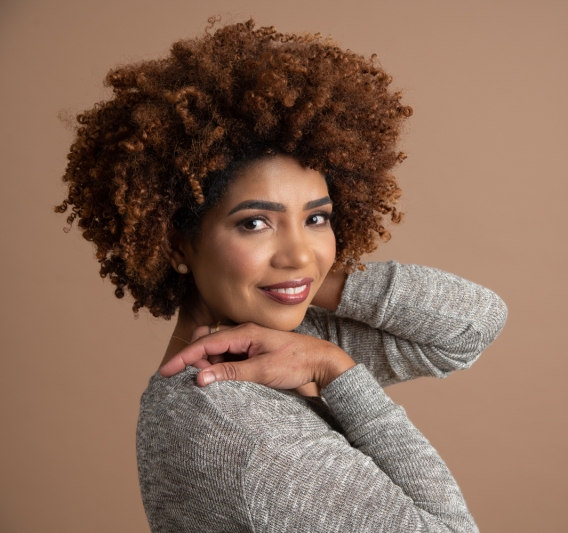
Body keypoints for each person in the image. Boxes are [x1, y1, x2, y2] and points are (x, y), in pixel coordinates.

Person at [56, 18, 507, 532]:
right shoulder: (235, 425)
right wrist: (337, 370)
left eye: (316, 218)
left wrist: (316, 279)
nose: (298, 252)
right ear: (177, 243)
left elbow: (471, 326)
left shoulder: (282, 344)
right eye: (255, 223)